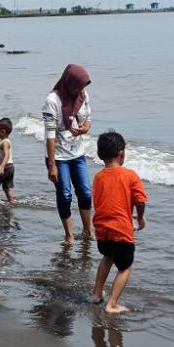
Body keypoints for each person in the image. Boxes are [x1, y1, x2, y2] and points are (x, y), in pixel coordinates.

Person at [89, 131, 147, 315]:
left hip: (102, 230)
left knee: (107, 258)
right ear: (122, 153)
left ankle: (97, 294)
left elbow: (100, 202)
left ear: (99, 155)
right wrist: (140, 216)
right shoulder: (130, 175)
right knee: (125, 267)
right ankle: (112, 304)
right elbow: (140, 200)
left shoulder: (98, 177)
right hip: (121, 230)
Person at [43, 63, 94, 244]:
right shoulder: (52, 101)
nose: (80, 90)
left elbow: (88, 119)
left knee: (86, 192)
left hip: (77, 153)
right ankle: (69, 235)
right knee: (65, 194)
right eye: (77, 86)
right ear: (68, 81)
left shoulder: (83, 95)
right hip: (58, 156)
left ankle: (88, 231)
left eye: (82, 87)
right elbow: (49, 134)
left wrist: (85, 128)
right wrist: (52, 166)